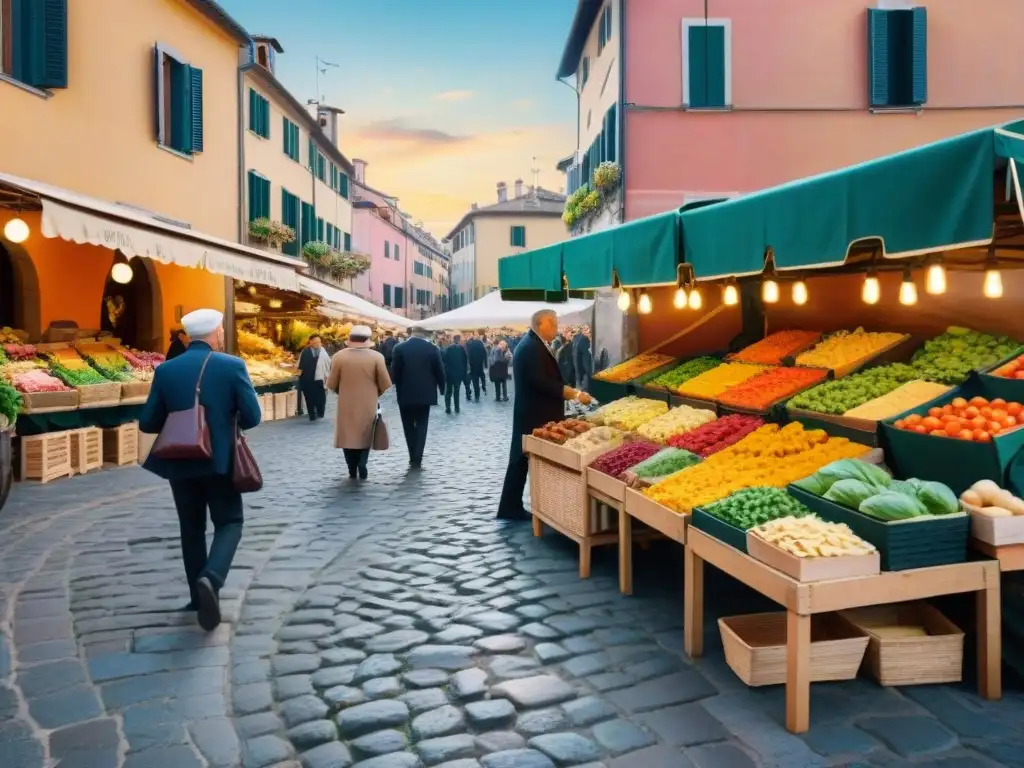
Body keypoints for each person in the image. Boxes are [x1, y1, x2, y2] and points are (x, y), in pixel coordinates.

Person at [139, 309, 261, 631]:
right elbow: (252, 416)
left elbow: (148, 421)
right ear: (216, 333)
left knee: (191, 529)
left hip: (179, 461)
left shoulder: (166, 370)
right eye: (221, 330)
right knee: (230, 521)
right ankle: (212, 578)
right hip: (220, 461)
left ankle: (197, 597)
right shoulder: (232, 365)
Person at [497, 310, 592, 520]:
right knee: (520, 460)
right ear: (542, 324)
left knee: (519, 460)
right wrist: (574, 393)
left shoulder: (532, 343)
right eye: (554, 323)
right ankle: (510, 507)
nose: (557, 327)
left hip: (531, 411)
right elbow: (542, 382)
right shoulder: (531, 347)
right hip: (533, 413)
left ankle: (510, 506)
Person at [327, 326, 392, 479]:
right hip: (368, 401)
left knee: (347, 435)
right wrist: (374, 394)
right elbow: (384, 383)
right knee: (365, 433)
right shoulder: (377, 357)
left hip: (346, 402)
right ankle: (362, 462)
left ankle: (351, 468)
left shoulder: (338, 357)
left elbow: (331, 383)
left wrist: (342, 392)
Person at [390, 326, 446, 468]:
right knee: (422, 425)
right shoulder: (432, 349)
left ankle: (412, 454)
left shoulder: (400, 348)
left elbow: (395, 372)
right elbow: (439, 370)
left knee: (408, 426)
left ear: (411, 334)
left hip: (405, 393)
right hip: (425, 393)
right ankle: (418, 456)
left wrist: (395, 384)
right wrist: (442, 388)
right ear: (424, 334)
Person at [297, 333, 330, 421]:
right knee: (309, 398)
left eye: (319, 342)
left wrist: (328, 377)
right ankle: (312, 414)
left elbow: (328, 365)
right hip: (307, 378)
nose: (317, 344)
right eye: (315, 342)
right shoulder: (305, 351)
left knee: (321, 397)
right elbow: (301, 365)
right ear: (310, 342)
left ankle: (320, 412)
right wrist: (299, 376)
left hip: (320, 378)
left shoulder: (323, 352)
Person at [443, 334, 469, 414]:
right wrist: (464, 372)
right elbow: (465, 361)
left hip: (449, 373)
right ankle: (457, 407)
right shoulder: (461, 348)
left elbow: (444, 360)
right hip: (458, 373)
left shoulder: (448, 348)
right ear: (459, 339)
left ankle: (448, 407)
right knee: (456, 391)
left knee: (448, 391)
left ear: (453, 339)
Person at [466, 331, 488, 401]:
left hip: (473, 366)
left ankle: (477, 395)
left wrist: (469, 363)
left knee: (475, 382)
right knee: (482, 376)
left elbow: (469, 355)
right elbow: (485, 353)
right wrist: (486, 363)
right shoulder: (480, 343)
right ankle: (484, 386)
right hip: (480, 365)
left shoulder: (471, 345)